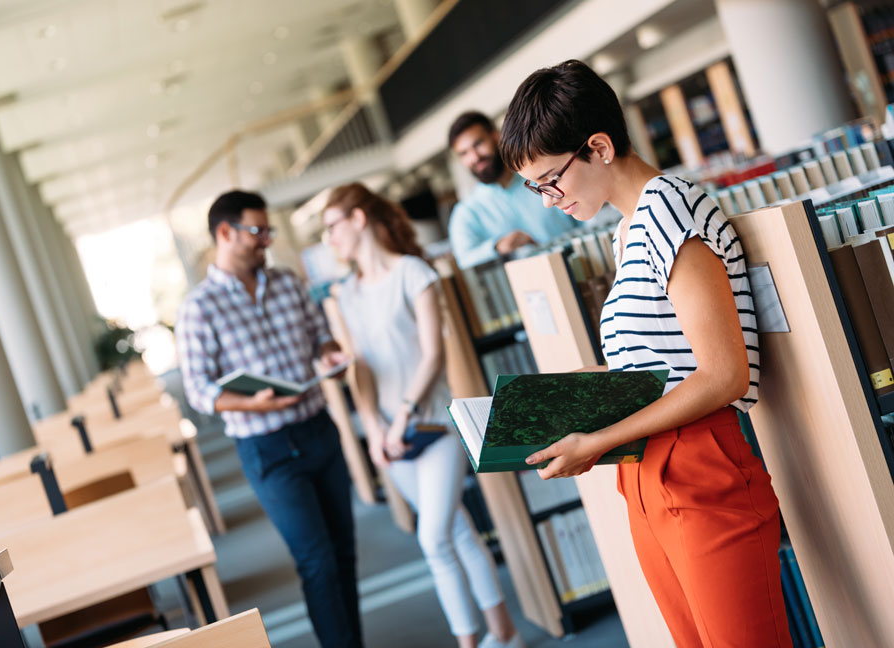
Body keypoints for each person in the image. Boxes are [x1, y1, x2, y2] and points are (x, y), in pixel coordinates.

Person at [499, 61, 792, 648]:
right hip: (647, 470)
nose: (547, 200)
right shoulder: (629, 227)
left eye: (549, 180)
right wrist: (586, 387)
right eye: (535, 188)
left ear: (599, 147)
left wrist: (600, 440)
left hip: (701, 463)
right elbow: (664, 362)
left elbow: (724, 373)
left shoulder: (672, 211)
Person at [323, 183, 524, 648]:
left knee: (433, 539)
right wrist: (373, 428)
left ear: (358, 219)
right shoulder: (345, 294)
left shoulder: (414, 273)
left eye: (333, 226)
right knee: (455, 528)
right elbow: (363, 371)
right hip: (391, 437)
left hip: (433, 425)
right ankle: (506, 634)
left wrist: (402, 417)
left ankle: (469, 643)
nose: (329, 238)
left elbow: (434, 354)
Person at [176, 190, 362, 648]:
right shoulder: (199, 308)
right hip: (268, 449)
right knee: (315, 559)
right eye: (257, 232)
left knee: (343, 552)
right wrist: (249, 404)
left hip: (318, 429)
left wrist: (329, 354)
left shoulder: (287, 282)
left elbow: (320, 336)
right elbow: (200, 390)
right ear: (225, 233)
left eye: (267, 232)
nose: (265, 242)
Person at [447, 110, 582, 268]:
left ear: (496, 136)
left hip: (579, 266)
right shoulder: (466, 212)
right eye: (464, 153)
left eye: (478, 144)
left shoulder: (543, 178)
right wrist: (497, 247)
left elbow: (587, 219)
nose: (475, 157)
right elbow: (464, 260)